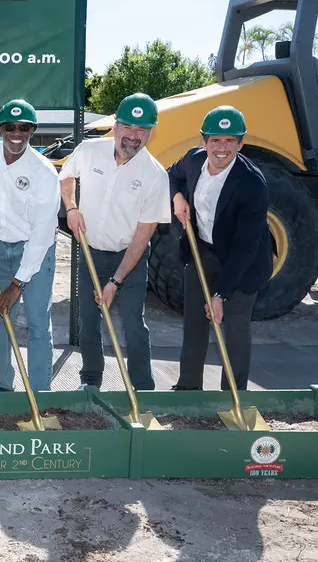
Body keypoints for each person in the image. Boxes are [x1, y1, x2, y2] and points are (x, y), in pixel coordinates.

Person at [59, 93, 171, 391]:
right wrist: (71, 208)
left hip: (129, 259)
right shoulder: (89, 150)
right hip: (91, 253)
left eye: (141, 130)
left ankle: (143, 389)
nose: (133, 136)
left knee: (133, 324)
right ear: (116, 126)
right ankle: (91, 381)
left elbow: (143, 235)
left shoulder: (155, 176)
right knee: (89, 321)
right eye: (128, 127)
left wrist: (116, 281)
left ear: (150, 132)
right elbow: (66, 176)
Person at [168, 106, 271, 391]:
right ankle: (188, 389)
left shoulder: (252, 184)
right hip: (203, 250)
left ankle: (232, 396)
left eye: (230, 141)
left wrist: (220, 294)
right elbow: (172, 176)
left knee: (235, 326)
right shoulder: (193, 160)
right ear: (204, 142)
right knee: (194, 322)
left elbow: (245, 247)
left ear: (241, 144)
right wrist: (177, 197)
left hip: (243, 262)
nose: (222, 148)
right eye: (215, 140)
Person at [0, 99, 59, 392]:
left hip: (34, 251)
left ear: (32, 131)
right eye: (10, 127)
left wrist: (17, 284)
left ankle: (40, 392)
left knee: (37, 323)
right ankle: (1, 385)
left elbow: (42, 235)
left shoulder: (44, 173)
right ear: (0, 129)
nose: (17, 133)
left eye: (24, 127)